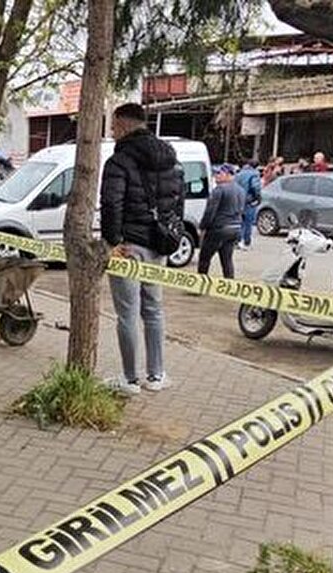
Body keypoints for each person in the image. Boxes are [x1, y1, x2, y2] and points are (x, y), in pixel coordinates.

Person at [98, 103, 183, 396]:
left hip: (128, 247)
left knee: (127, 314)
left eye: (113, 126)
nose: (112, 132)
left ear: (123, 125)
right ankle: (157, 376)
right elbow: (177, 203)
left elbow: (111, 204)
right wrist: (171, 236)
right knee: (154, 310)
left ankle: (130, 379)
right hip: (159, 246)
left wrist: (112, 241)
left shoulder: (118, 162)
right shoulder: (171, 160)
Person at [197, 165, 244, 279]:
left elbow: (210, 211)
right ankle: (229, 283)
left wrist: (203, 226)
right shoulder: (241, 190)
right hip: (235, 228)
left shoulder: (219, 189)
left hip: (219, 229)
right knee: (227, 259)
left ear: (228, 175)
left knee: (204, 258)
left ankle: (200, 282)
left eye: (219, 173)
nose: (216, 176)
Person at [234, 160, 262, 250]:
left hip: (238, 200)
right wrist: (258, 197)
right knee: (248, 222)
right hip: (249, 201)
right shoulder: (254, 174)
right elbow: (255, 187)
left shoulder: (239, 174)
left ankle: (238, 241)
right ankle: (246, 242)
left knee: (239, 221)